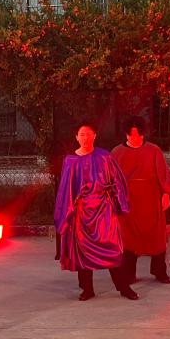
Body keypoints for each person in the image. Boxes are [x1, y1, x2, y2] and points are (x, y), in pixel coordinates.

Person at [55, 122, 138, 301]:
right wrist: (66, 215)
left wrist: (119, 202)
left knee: (113, 249)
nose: (85, 138)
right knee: (84, 253)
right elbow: (65, 190)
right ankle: (87, 289)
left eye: (89, 134)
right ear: (76, 137)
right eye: (82, 134)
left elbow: (118, 180)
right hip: (82, 214)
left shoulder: (104, 156)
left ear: (95, 136)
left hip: (104, 211)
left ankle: (124, 287)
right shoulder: (70, 161)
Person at [111, 116, 170, 284]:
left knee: (157, 236)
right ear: (126, 134)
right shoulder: (117, 153)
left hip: (151, 199)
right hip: (128, 202)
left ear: (143, 134)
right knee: (128, 237)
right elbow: (111, 178)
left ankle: (159, 271)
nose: (135, 138)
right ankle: (129, 273)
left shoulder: (154, 150)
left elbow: (163, 173)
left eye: (138, 135)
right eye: (131, 135)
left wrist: (166, 194)